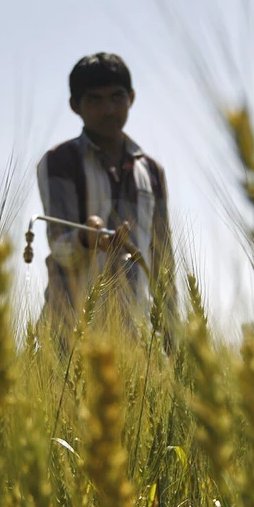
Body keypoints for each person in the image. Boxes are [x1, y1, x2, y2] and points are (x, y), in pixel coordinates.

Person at [36, 52, 174, 333]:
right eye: (94, 100)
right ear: (75, 105)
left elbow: (163, 257)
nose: (108, 109)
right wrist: (86, 238)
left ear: (131, 98)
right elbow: (59, 246)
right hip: (72, 331)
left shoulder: (151, 172)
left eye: (116, 97)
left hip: (138, 329)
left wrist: (172, 328)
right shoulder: (61, 162)